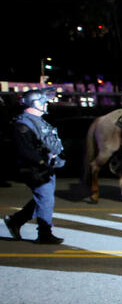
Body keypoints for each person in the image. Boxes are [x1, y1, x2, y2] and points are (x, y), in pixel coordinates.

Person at [4, 88, 66, 245]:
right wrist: (41, 163)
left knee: (44, 199)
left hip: (46, 166)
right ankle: (44, 233)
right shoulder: (23, 124)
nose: (47, 105)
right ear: (35, 103)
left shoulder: (38, 121)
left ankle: (16, 221)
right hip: (34, 168)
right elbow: (25, 151)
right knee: (45, 198)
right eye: (44, 102)